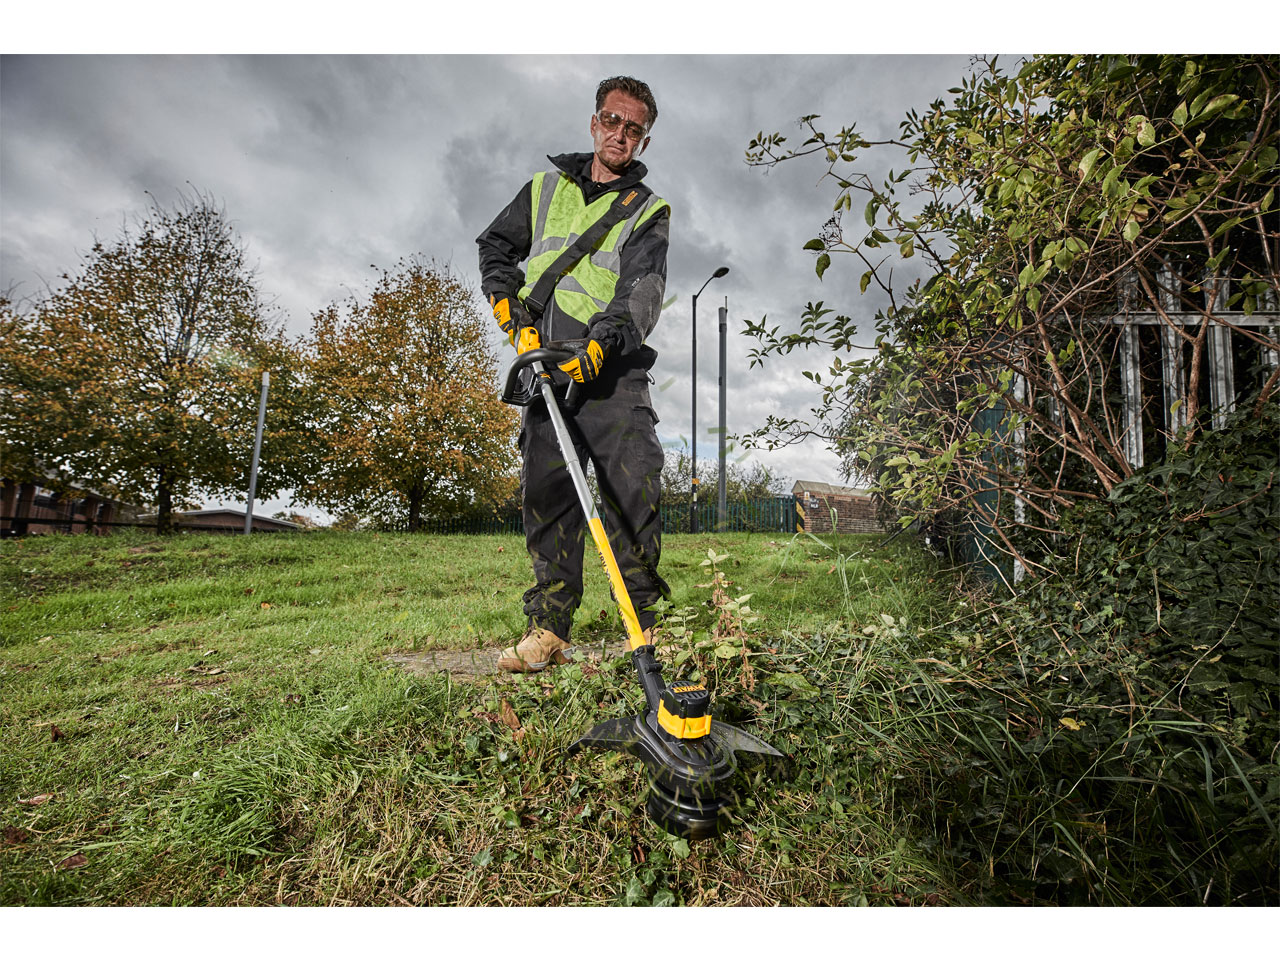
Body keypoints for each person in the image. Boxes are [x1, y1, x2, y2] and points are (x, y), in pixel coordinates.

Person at [477, 75, 671, 673]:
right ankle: (549, 631)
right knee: (549, 496)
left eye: (634, 128)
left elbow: (642, 292)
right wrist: (509, 307)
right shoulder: (542, 189)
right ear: (594, 122)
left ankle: (647, 629)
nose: (621, 134)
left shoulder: (649, 209)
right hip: (546, 367)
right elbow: (494, 248)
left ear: (643, 139)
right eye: (612, 120)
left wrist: (601, 344)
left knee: (631, 490)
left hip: (612, 372)